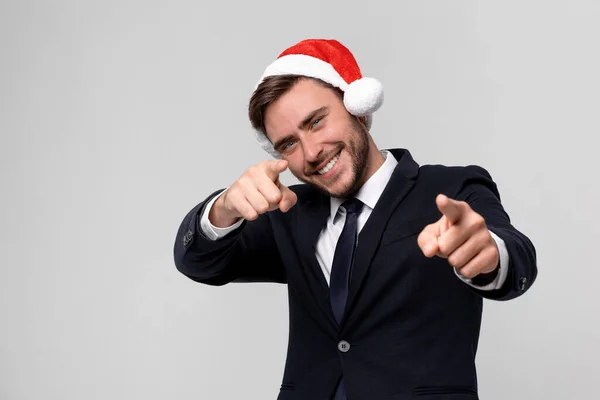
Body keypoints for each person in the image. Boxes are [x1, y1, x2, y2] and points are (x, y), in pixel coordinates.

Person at [173, 38, 537, 400]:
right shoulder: (288, 210)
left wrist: (487, 254)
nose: (311, 153)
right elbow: (199, 263)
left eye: (316, 122)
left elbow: (516, 257)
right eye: (288, 143)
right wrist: (225, 208)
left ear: (358, 109)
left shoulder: (450, 187)